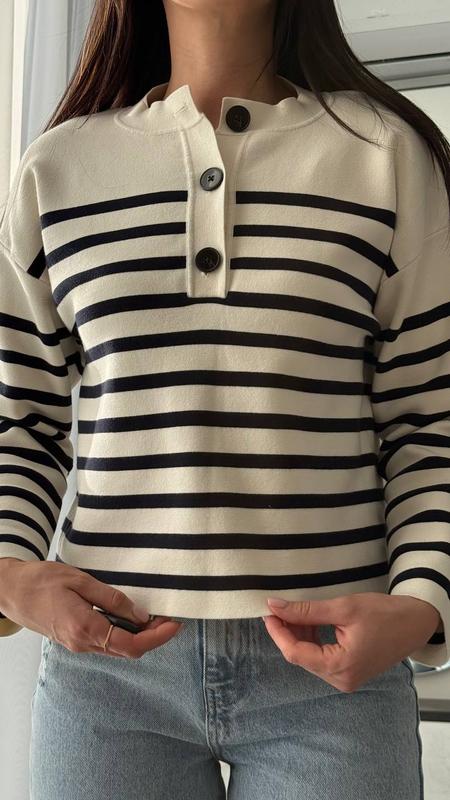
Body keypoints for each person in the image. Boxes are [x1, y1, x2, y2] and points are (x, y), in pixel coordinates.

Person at [1, 1, 449, 797]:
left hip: (334, 678)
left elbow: (431, 422)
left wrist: (422, 604)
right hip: (106, 678)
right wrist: (7, 574)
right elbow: (21, 422)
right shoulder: (57, 168)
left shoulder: (382, 155)